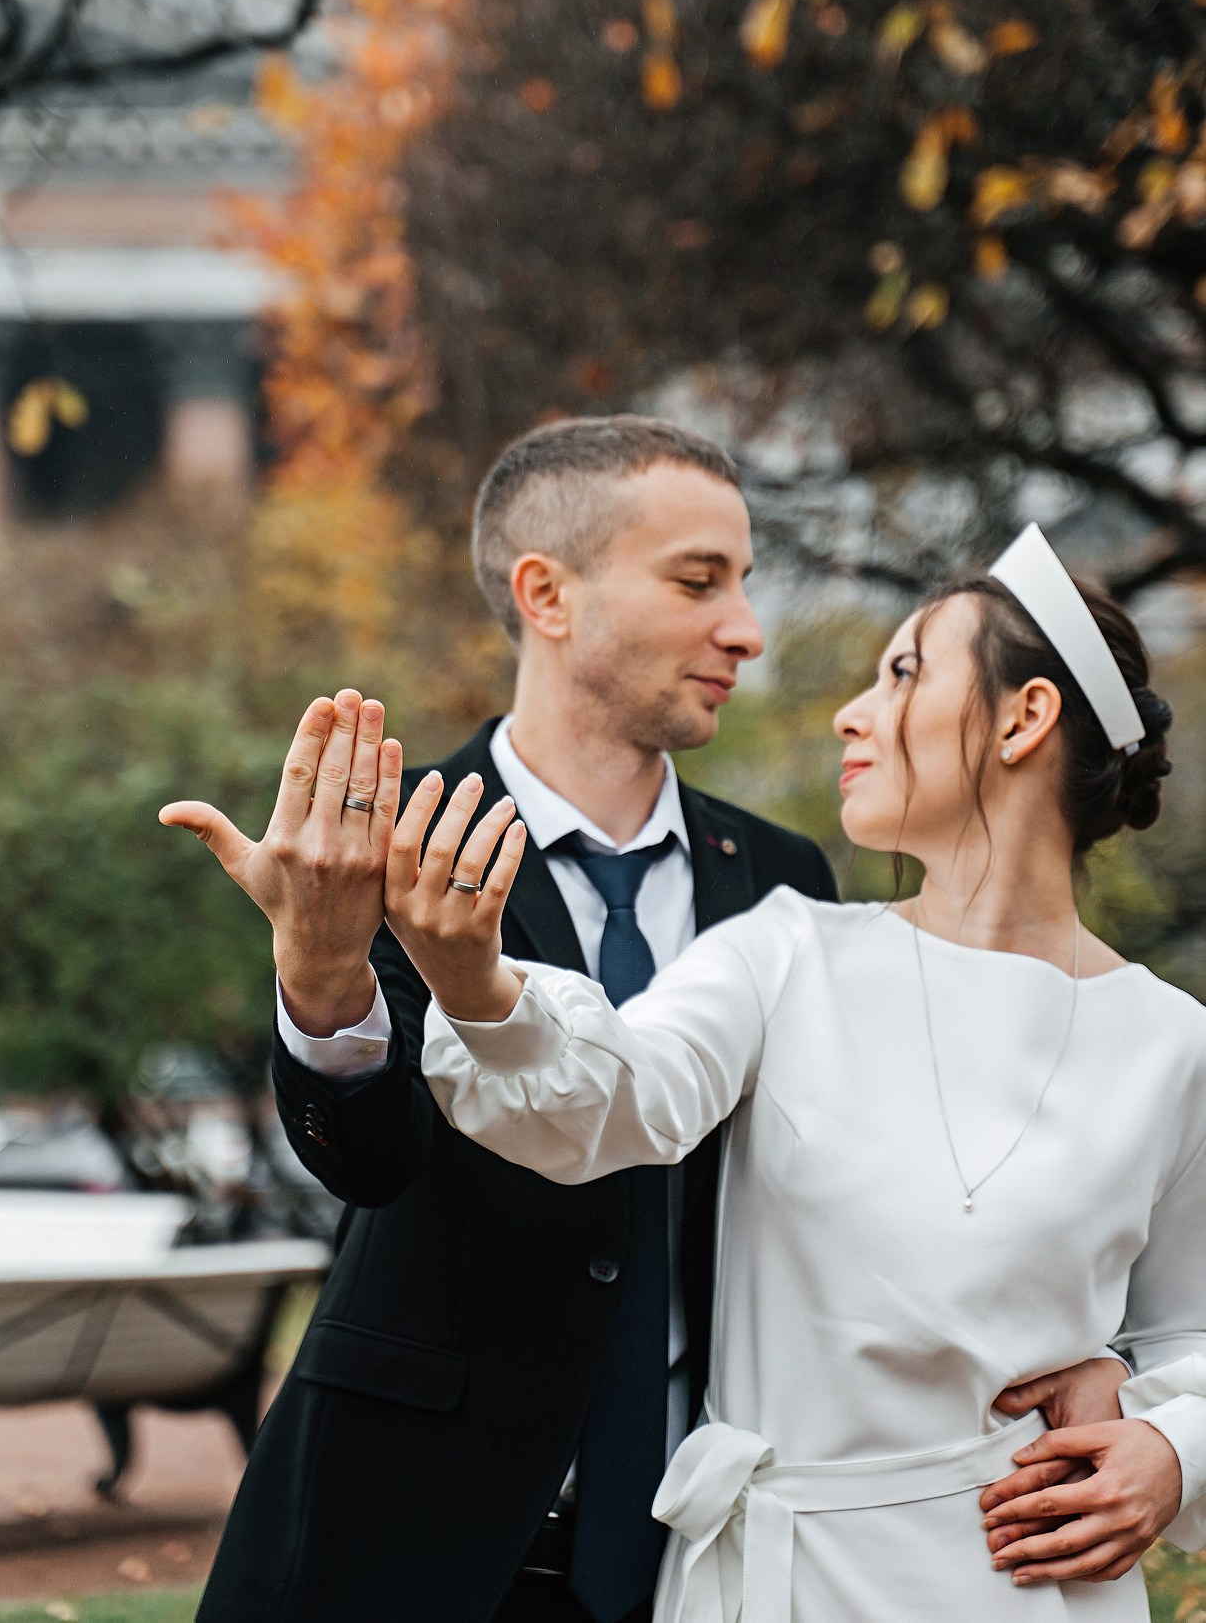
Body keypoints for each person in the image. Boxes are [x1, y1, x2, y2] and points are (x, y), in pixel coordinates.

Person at [162, 420, 1120, 1623]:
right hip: (407, 1536)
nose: (746, 633)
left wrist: (1097, 1358)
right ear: (546, 595)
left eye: (745, 584)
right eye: (695, 581)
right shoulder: (390, 842)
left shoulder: (778, 881)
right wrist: (319, 979)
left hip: (681, 1553)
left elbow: (878, 1194)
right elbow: (368, 1159)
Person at [380, 522, 1206, 1621]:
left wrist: (1170, 1449)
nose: (848, 712)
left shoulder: (1169, 1043)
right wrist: (475, 982)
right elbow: (607, 1100)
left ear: (1023, 717)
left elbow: (1188, 1333)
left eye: (903, 671)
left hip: (1025, 1583)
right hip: (769, 1584)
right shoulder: (783, 952)